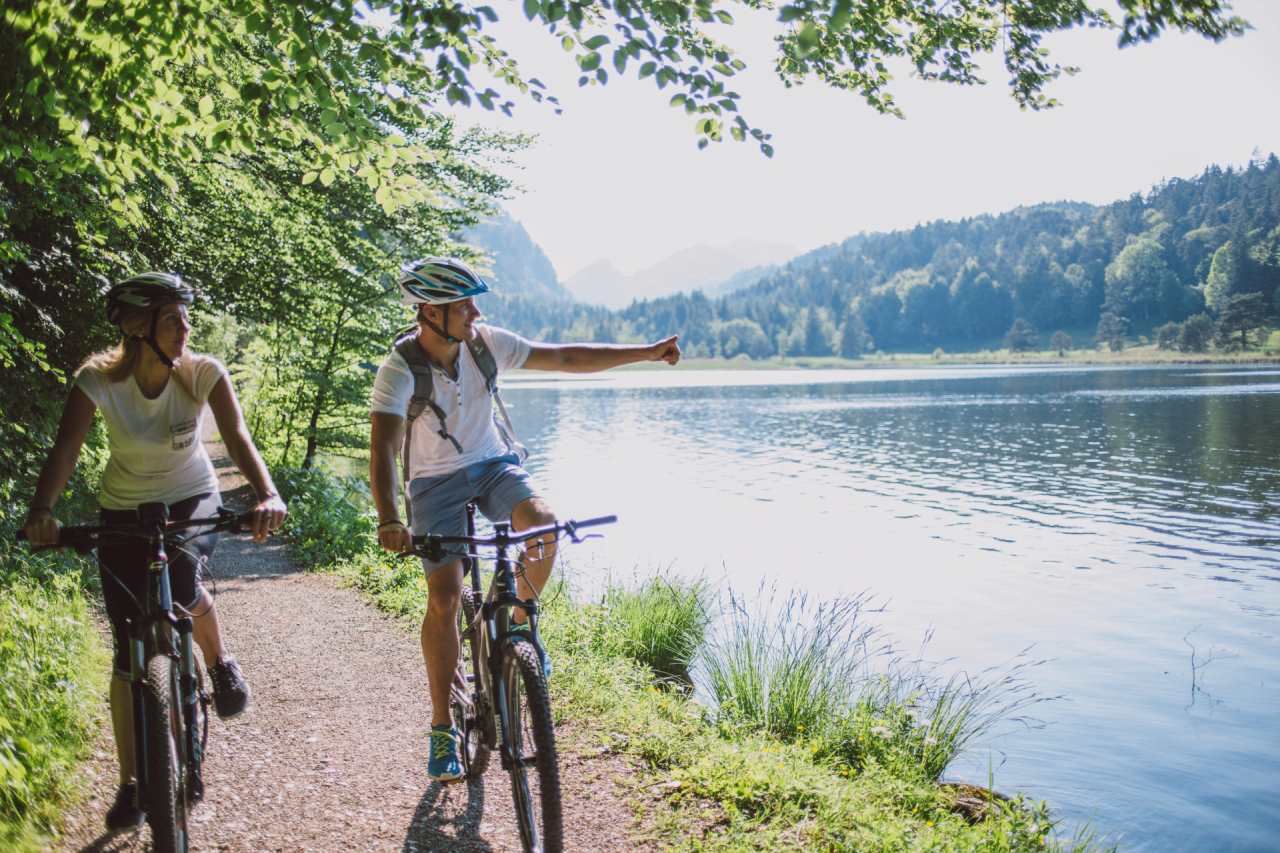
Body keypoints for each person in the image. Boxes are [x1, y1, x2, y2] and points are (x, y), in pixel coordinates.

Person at [369, 257, 680, 781]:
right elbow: (383, 448)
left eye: (473, 302)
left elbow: (564, 357)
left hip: (494, 466)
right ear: (429, 312)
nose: (474, 311)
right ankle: (443, 727)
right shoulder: (400, 368)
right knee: (444, 597)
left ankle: (520, 628)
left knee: (544, 525)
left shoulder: (486, 343)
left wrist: (645, 353)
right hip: (433, 483)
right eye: (462, 304)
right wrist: (388, 519)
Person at [21, 272, 287, 834]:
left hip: (191, 496)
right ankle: (131, 784)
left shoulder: (201, 373)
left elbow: (237, 437)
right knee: (127, 649)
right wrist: (43, 511)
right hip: (124, 505)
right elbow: (65, 449)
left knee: (185, 587)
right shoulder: (98, 380)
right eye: (173, 320)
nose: (186, 329)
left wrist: (267, 493)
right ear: (138, 328)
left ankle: (220, 664)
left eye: (186, 318)